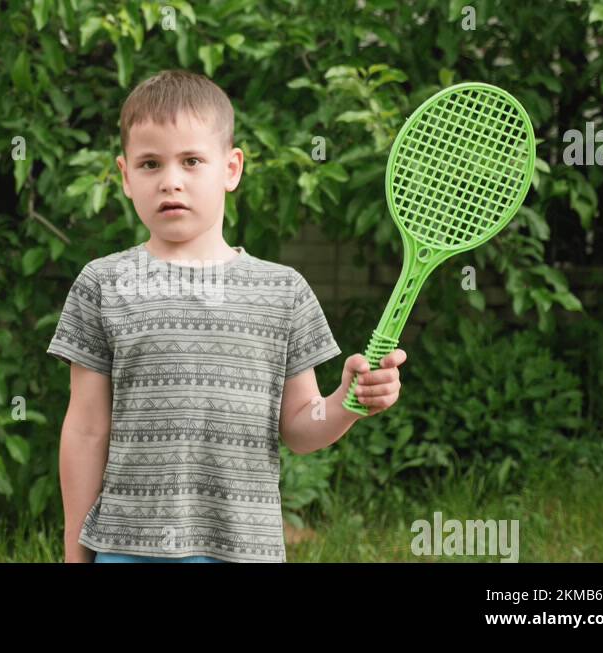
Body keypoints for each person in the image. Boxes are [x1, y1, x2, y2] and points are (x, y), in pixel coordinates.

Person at [48, 69, 406, 564]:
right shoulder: (103, 284)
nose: (171, 180)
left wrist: (346, 402)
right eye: (150, 164)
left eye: (192, 160)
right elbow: (86, 430)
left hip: (244, 549)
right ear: (126, 176)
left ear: (231, 168)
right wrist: (75, 556)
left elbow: (301, 429)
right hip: (126, 548)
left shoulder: (283, 291)